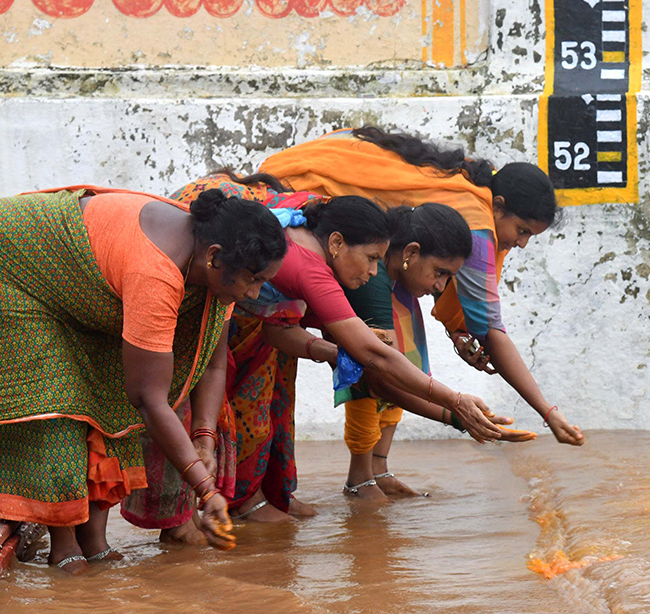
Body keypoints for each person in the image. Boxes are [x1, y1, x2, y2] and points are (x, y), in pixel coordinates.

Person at [0, 186, 287, 574]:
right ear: (214, 258)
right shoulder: (156, 271)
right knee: (54, 398)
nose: (254, 292)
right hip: (4, 257)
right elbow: (148, 399)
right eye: (254, 280)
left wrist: (204, 437)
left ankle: (94, 542)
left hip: (77, 278)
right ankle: (64, 548)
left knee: (109, 387)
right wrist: (205, 488)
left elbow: (212, 364)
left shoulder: (216, 263)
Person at [165, 174, 503, 523]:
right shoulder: (311, 269)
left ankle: (244, 500)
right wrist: (455, 403)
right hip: (194, 283)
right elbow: (375, 357)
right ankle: (196, 514)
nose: (373, 273)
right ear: (337, 242)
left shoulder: (313, 242)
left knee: (261, 408)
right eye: (371, 259)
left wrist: (332, 352)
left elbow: (278, 330)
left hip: (234, 311)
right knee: (196, 402)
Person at [260, 126, 586, 450]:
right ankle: (363, 475)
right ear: (497, 206)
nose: (523, 243)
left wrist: (458, 336)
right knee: (374, 354)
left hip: (317, 228)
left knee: (394, 351)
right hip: (286, 209)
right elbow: (485, 332)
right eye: (522, 230)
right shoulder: (476, 224)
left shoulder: (461, 196)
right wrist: (544, 411)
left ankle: (376, 469)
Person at [340, 204, 538, 502]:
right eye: (440, 273)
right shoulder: (373, 279)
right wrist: (456, 414)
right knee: (375, 374)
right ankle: (360, 481)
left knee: (405, 361)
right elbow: (380, 379)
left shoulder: (398, 278)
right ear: (410, 253)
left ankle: (377, 472)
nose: (441, 286)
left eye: (449, 277)